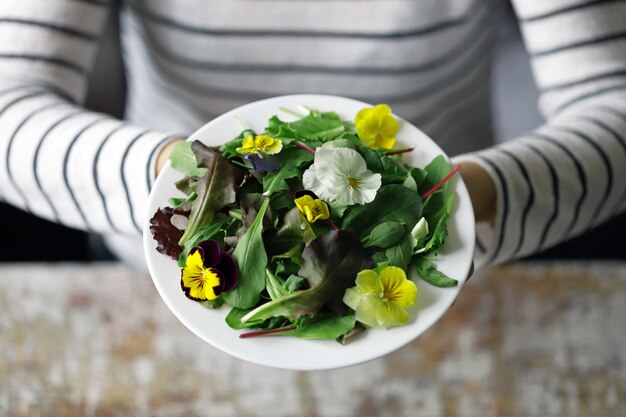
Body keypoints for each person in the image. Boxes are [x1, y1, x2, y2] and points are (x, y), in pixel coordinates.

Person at [0, 0, 624, 269]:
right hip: (169, 266)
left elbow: (612, 104)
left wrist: (463, 201)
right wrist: (180, 175)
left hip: (448, 262)